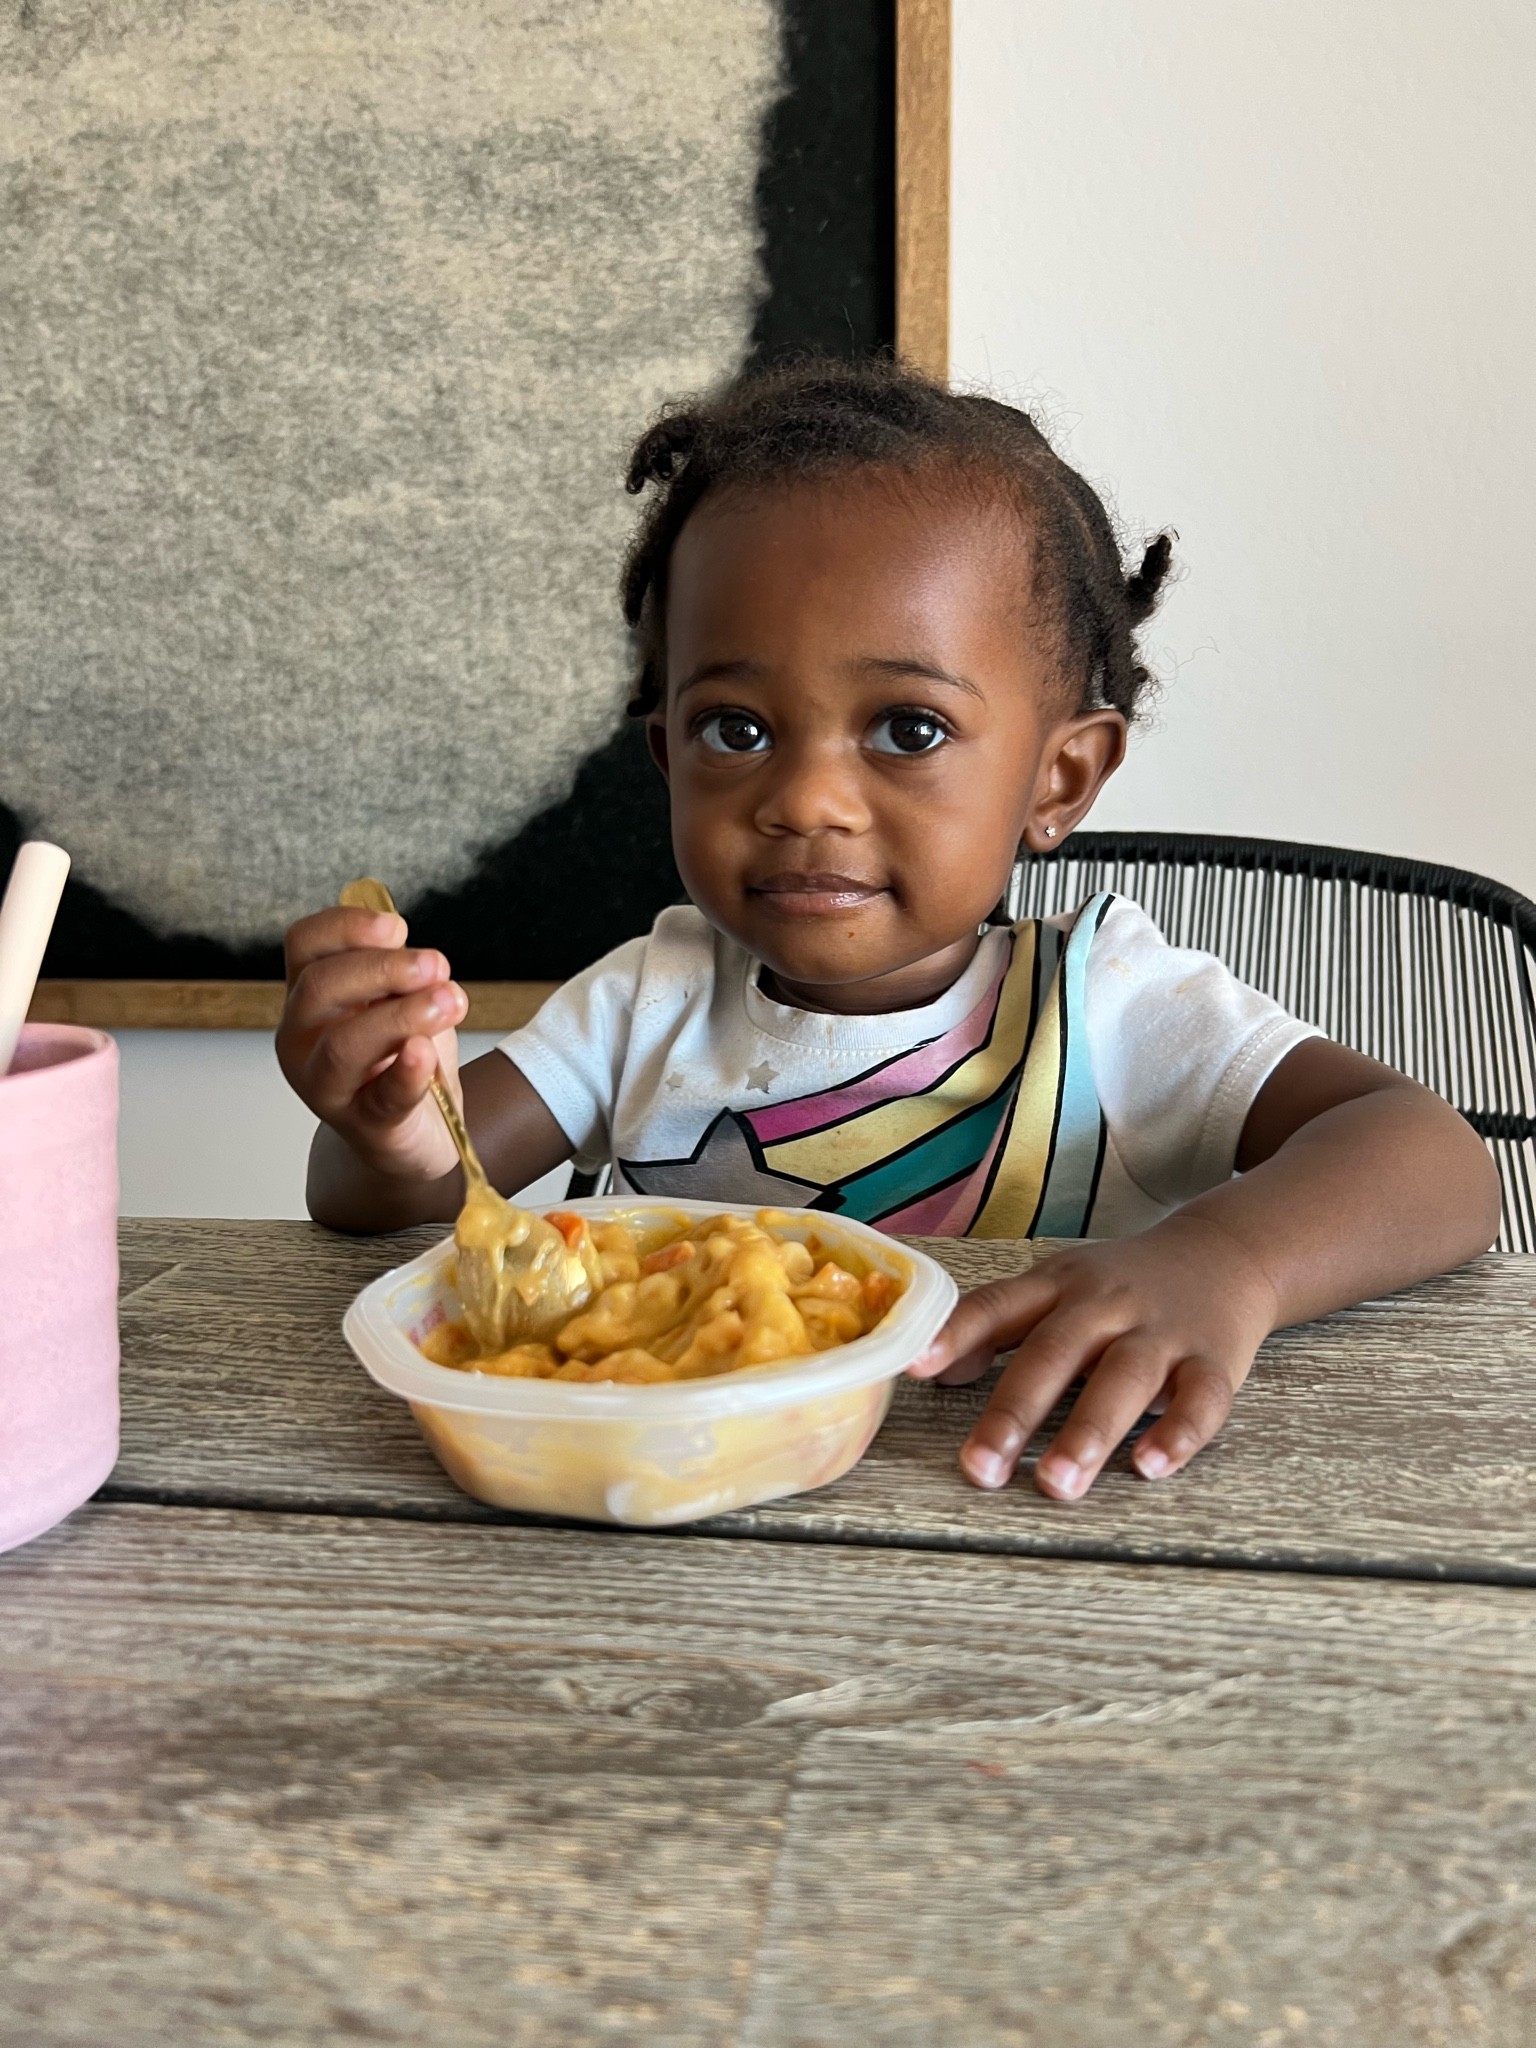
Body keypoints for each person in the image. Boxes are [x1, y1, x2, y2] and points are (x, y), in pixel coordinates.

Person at [276, 358, 1499, 1501]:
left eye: (907, 728)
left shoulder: (1110, 1006)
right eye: (736, 729)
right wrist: (385, 1120)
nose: (805, 798)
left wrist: (1228, 1260)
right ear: (667, 756)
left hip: (1000, 1521)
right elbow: (398, 1203)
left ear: (1059, 779)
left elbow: (1432, 1154)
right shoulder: (650, 998)